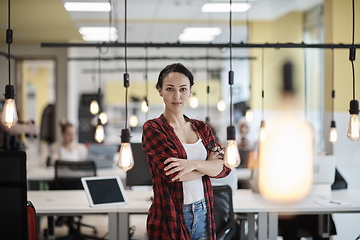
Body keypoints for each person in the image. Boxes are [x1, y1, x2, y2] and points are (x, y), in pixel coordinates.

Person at [142, 63, 232, 240]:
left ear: (190, 91)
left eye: (183, 89)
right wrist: (208, 166)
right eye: (170, 89)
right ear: (160, 90)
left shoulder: (202, 128)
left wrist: (192, 164)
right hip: (171, 215)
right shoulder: (153, 128)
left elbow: (225, 168)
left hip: (204, 210)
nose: (177, 96)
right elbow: (172, 174)